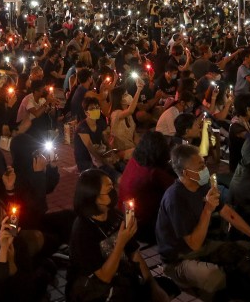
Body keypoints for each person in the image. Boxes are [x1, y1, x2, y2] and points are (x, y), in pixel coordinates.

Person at [68, 169, 169, 302]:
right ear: (94, 196)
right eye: (108, 189)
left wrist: (152, 285)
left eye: (112, 186)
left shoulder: (115, 216)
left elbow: (134, 253)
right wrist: (121, 242)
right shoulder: (83, 230)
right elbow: (104, 277)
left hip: (123, 279)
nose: (114, 191)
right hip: (96, 290)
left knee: (166, 289)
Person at [116, 131, 175, 245]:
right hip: (144, 228)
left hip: (126, 219)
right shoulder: (153, 172)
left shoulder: (135, 160)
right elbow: (175, 189)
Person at [74, 97, 119, 179]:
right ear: (86, 112)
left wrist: (112, 153)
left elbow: (105, 141)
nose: (96, 110)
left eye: (97, 107)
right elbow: (91, 149)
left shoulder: (99, 123)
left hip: (99, 155)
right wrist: (106, 162)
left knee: (120, 165)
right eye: (92, 109)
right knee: (114, 174)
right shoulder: (82, 127)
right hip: (86, 161)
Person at [108, 81, 142, 160]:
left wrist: (140, 146)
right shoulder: (115, 114)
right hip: (120, 152)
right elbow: (131, 110)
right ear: (120, 98)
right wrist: (139, 90)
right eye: (126, 95)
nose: (129, 96)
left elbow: (135, 134)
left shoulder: (129, 116)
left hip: (131, 149)